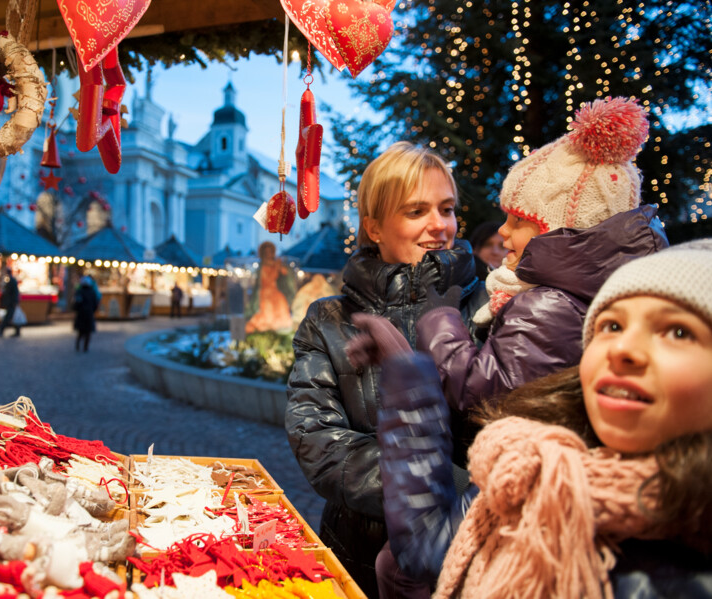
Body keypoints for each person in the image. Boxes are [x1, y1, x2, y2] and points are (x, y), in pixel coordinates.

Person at [370, 240, 712, 597]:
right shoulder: (537, 465)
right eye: (611, 326)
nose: (623, 349)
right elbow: (429, 547)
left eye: (678, 332)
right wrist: (409, 380)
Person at [285, 142, 487, 598]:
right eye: (416, 211)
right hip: (357, 550)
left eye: (447, 208)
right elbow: (316, 438)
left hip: (470, 556)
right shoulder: (329, 319)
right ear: (374, 226)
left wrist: (464, 503)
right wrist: (434, 493)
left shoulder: (490, 305)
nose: (440, 225)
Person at [412, 97, 668, 418]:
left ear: (560, 230)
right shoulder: (579, 296)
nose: (503, 231)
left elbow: (480, 394)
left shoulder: (548, 306)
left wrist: (438, 321)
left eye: (518, 220)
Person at [245, 241, 293, 333]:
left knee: (281, 315)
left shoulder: (277, 264)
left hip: (275, 293)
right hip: (263, 294)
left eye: (270, 252)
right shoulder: (260, 267)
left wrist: (281, 268)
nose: (268, 254)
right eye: (266, 252)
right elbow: (262, 281)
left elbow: (287, 275)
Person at [73, 274, 100, 352]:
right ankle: (85, 347)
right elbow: (95, 303)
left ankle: (78, 345)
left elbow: (76, 303)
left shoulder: (79, 291)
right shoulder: (92, 292)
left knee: (81, 332)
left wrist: (77, 310)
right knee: (87, 332)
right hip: (89, 314)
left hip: (81, 314)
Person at [0, 267, 21, 337]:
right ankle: (16, 331)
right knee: (11, 316)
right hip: (12, 302)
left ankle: (1, 330)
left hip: (11, 302)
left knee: (9, 317)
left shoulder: (11, 281)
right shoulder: (11, 280)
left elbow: (13, 292)